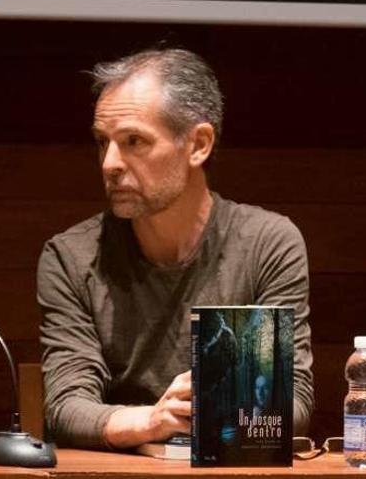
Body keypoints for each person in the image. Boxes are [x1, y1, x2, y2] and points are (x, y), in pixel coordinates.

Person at [38, 48, 313, 450]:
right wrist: (153, 420)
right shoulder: (69, 257)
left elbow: (293, 403)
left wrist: (209, 408)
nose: (109, 164)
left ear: (198, 144)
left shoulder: (267, 244)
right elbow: (66, 405)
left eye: (134, 141)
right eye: (102, 142)